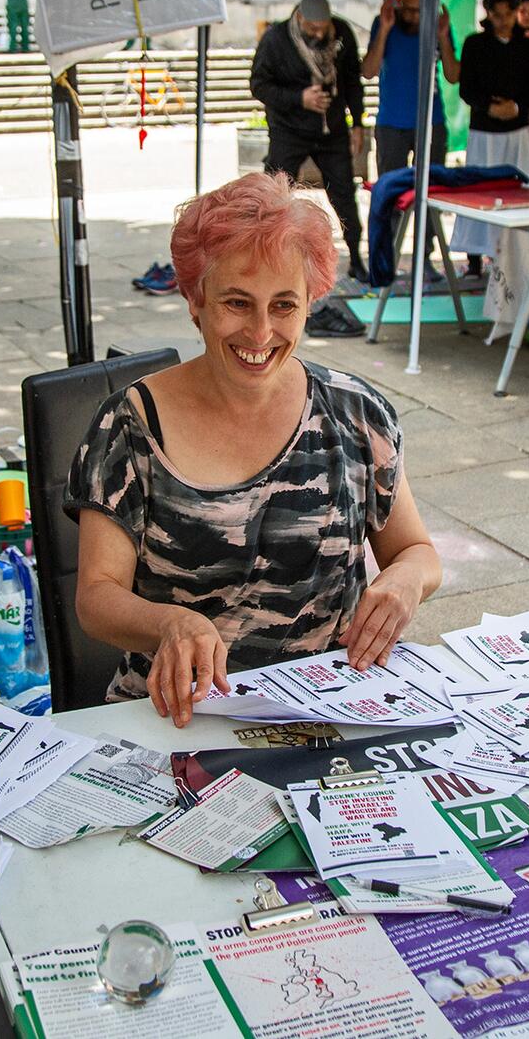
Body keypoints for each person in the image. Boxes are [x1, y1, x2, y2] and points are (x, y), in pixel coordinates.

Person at [68, 173, 441, 724]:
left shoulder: (356, 414)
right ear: (195, 300)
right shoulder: (130, 425)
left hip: (328, 709)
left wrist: (406, 581)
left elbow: (416, 552)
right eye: (237, 303)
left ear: (310, 303)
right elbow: (96, 596)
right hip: (177, 716)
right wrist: (169, 622)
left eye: (284, 305)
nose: (261, 332)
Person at [249, 0, 369, 282]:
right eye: (312, 28)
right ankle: (266, 256)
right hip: (289, 129)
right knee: (274, 193)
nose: (318, 34)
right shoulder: (276, 39)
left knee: (343, 194)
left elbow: (352, 79)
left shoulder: (341, 33)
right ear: (299, 19)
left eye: (322, 28)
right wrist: (299, 98)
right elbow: (259, 85)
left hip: (333, 130)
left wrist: (358, 123)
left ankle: (355, 257)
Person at [452, 0, 529, 269]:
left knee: (519, 191)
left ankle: (520, 253)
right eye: (498, 15)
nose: (503, 21)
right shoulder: (475, 45)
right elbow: (466, 88)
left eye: (508, 15)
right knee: (479, 191)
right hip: (484, 130)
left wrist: (517, 107)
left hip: (517, 130)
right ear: (489, 14)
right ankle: (475, 258)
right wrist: (490, 107)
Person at [361, 0, 459, 180]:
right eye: (408, 9)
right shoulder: (384, 23)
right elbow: (368, 71)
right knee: (392, 194)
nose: (413, 17)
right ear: (400, 3)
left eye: (419, 11)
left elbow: (453, 76)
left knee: (432, 193)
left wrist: (442, 36)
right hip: (391, 123)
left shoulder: (438, 25)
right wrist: (385, 30)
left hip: (432, 121)